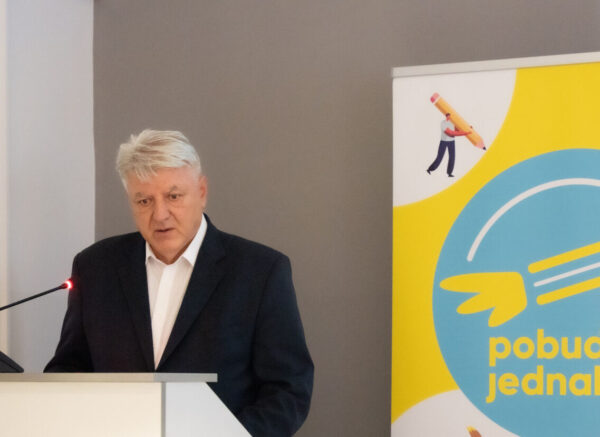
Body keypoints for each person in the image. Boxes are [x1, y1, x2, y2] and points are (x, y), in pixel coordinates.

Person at [45, 129, 314, 437]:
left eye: (173, 196)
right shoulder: (95, 267)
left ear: (202, 192)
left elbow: (288, 390)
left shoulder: (260, 271)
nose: (160, 215)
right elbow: (68, 371)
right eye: (144, 200)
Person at [426, 113, 471, 177]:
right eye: (448, 116)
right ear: (446, 116)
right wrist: (465, 133)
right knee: (440, 157)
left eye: (450, 116)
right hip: (443, 142)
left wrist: (468, 128)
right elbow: (451, 133)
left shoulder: (453, 123)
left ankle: (449, 173)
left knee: (452, 157)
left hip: (451, 142)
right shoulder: (443, 123)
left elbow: (458, 130)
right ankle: (430, 169)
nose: (449, 117)